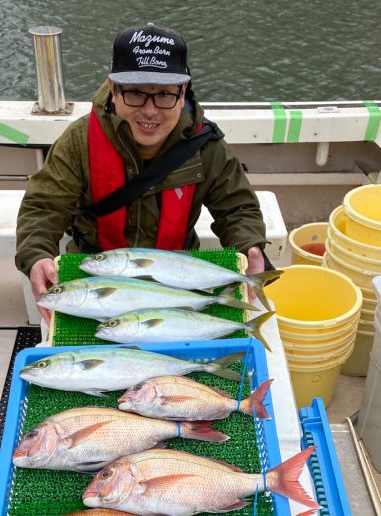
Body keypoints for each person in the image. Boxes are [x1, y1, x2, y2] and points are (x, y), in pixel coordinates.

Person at [15, 22, 271, 324]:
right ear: (113, 89)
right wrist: (37, 254)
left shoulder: (207, 146)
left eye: (164, 95)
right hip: (96, 277)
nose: (150, 111)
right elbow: (45, 205)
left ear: (183, 90)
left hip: (179, 276)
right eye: (135, 93)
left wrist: (250, 247)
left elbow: (237, 208)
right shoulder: (79, 141)